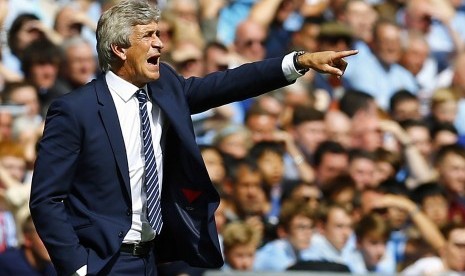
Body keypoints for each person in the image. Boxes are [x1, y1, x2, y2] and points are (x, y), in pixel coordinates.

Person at [29, 1, 357, 275]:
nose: (159, 43)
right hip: (103, 262)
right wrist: (77, 267)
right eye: (148, 36)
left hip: (155, 259)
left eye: (158, 34)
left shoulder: (166, 86)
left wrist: (299, 61)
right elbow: (46, 198)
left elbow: (229, 83)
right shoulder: (75, 110)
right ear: (119, 49)